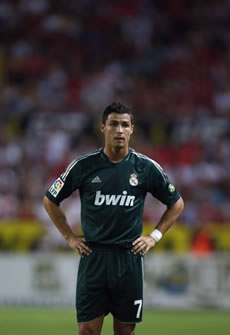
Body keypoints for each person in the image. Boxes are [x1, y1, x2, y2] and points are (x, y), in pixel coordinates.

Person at [42, 102, 184, 335]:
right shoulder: (83, 166)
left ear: (132, 129)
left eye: (124, 125)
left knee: (125, 332)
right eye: (114, 124)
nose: (119, 130)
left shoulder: (145, 168)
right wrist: (69, 236)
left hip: (128, 258)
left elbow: (176, 203)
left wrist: (154, 236)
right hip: (93, 257)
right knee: (87, 331)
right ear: (103, 128)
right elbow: (50, 200)